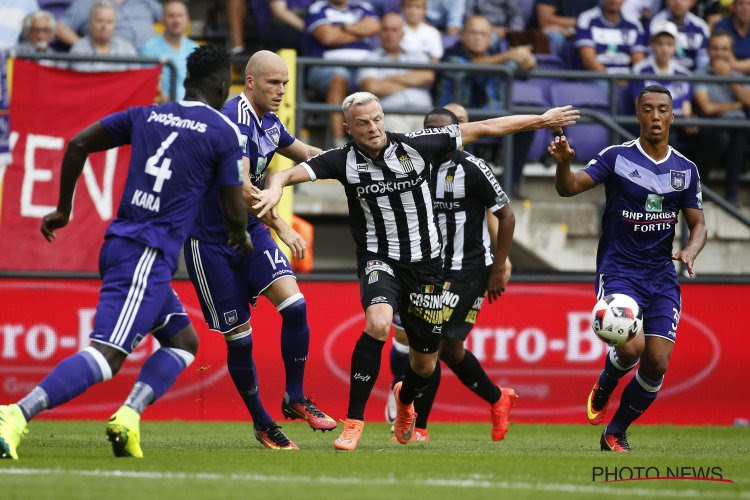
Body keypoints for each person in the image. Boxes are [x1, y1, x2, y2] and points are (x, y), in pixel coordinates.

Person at [252, 91, 579, 451]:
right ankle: (354, 421)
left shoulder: (417, 146)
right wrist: (275, 192)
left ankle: (406, 402)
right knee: (377, 323)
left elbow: (487, 127)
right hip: (380, 260)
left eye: (377, 119)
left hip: (426, 267)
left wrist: (542, 119)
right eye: (363, 123)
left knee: (425, 364)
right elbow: (285, 175)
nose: (373, 127)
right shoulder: (341, 160)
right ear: (348, 128)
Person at [0, 45, 251, 460]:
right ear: (223, 83)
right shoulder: (222, 131)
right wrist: (240, 235)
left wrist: (64, 209)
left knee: (184, 342)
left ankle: (128, 416)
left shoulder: (146, 114)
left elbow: (78, 143)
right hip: (147, 254)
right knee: (107, 357)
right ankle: (15, 413)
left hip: (120, 245)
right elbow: (232, 205)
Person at [184, 50, 335, 451]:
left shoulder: (269, 122)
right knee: (240, 338)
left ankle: (296, 397)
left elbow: (306, 154)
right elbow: (242, 190)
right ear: (249, 82)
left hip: (250, 230)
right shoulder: (234, 119)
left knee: (296, 305)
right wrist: (283, 226)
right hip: (211, 240)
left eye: (285, 83)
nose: (281, 91)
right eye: (273, 83)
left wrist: (352, 161)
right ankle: (262, 422)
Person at [549, 84, 707, 452]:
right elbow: (569, 187)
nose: (655, 117)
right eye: (648, 109)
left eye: (662, 110)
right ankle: (606, 382)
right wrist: (561, 163)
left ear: (672, 115)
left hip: (661, 275)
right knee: (632, 348)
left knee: (656, 363)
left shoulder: (685, 169)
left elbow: (698, 223)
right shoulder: (617, 157)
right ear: (637, 114)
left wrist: (691, 249)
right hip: (620, 270)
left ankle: (614, 432)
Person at [397, 107, 518, 442]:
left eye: (442, 131)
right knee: (451, 350)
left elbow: (506, 216)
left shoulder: (472, 168)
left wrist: (499, 266)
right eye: (429, 131)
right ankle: (498, 398)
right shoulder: (415, 168)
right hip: (429, 268)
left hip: (468, 268)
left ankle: (416, 425)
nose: (436, 138)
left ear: (456, 134)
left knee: (430, 345)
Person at [435, 15, 537, 198]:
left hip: (492, 114)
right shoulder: (451, 55)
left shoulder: (496, 57)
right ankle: (470, 189)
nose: (478, 37)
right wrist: (509, 55)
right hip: (456, 117)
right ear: (463, 36)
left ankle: (510, 184)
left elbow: (523, 70)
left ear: (490, 39)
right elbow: (472, 66)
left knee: (526, 125)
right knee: (464, 125)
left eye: (483, 34)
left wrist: (528, 62)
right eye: (473, 33)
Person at [304, 0, 381, 146]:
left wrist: (342, 28)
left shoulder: (363, 6)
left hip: (362, 67)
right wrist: (360, 33)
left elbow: (375, 27)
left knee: (375, 79)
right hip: (325, 67)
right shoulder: (317, 8)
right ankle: (338, 141)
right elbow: (327, 37)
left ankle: (372, 140)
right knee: (339, 76)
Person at [693, 29, 750, 205]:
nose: (720, 53)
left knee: (739, 132)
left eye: (724, 49)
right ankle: (703, 187)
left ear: (731, 52)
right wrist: (736, 104)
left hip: (738, 127)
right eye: (715, 48)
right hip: (712, 126)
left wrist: (728, 78)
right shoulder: (700, 74)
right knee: (723, 136)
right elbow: (707, 108)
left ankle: (731, 195)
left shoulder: (738, 76)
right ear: (708, 50)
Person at [357, 12, 435, 132]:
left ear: (402, 34)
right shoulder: (370, 58)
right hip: (391, 115)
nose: (390, 34)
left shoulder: (417, 55)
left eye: (394, 30)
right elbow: (372, 87)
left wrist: (390, 79)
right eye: (386, 30)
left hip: (423, 114)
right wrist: (412, 80)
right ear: (379, 33)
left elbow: (427, 76)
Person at [140, 0, 198, 102]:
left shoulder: (195, 49)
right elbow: (149, 83)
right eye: (171, 16)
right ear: (162, 19)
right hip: (162, 109)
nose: (176, 20)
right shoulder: (149, 48)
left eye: (180, 15)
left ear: (187, 19)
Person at [575, 0, 647, 75]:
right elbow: (588, 60)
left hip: (628, 78)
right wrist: (612, 81)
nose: (613, 0)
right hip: (598, 77)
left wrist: (630, 81)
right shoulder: (587, 18)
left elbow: (639, 62)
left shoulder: (634, 24)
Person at [57, 0, 160, 50]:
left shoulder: (144, 1)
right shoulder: (87, 2)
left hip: (152, 60)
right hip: (111, 64)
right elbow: (60, 28)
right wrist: (87, 48)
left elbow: (170, 16)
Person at [69, 0, 138, 72]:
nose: (104, 26)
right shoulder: (79, 49)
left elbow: (136, 77)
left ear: (115, 25)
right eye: (100, 21)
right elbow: (80, 78)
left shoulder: (126, 49)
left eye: (109, 22)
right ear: (90, 23)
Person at [649, 0, 711, 71]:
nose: (678, 2)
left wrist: (696, 78)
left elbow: (703, 59)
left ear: (692, 2)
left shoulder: (700, 26)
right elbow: (651, 55)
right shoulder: (656, 22)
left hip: (694, 77)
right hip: (662, 75)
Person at [715, 0, 750, 73]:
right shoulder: (721, 27)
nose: (745, 8)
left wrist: (735, 65)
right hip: (728, 76)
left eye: (749, 4)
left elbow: (731, 64)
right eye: (740, 3)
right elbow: (720, 59)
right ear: (733, 6)